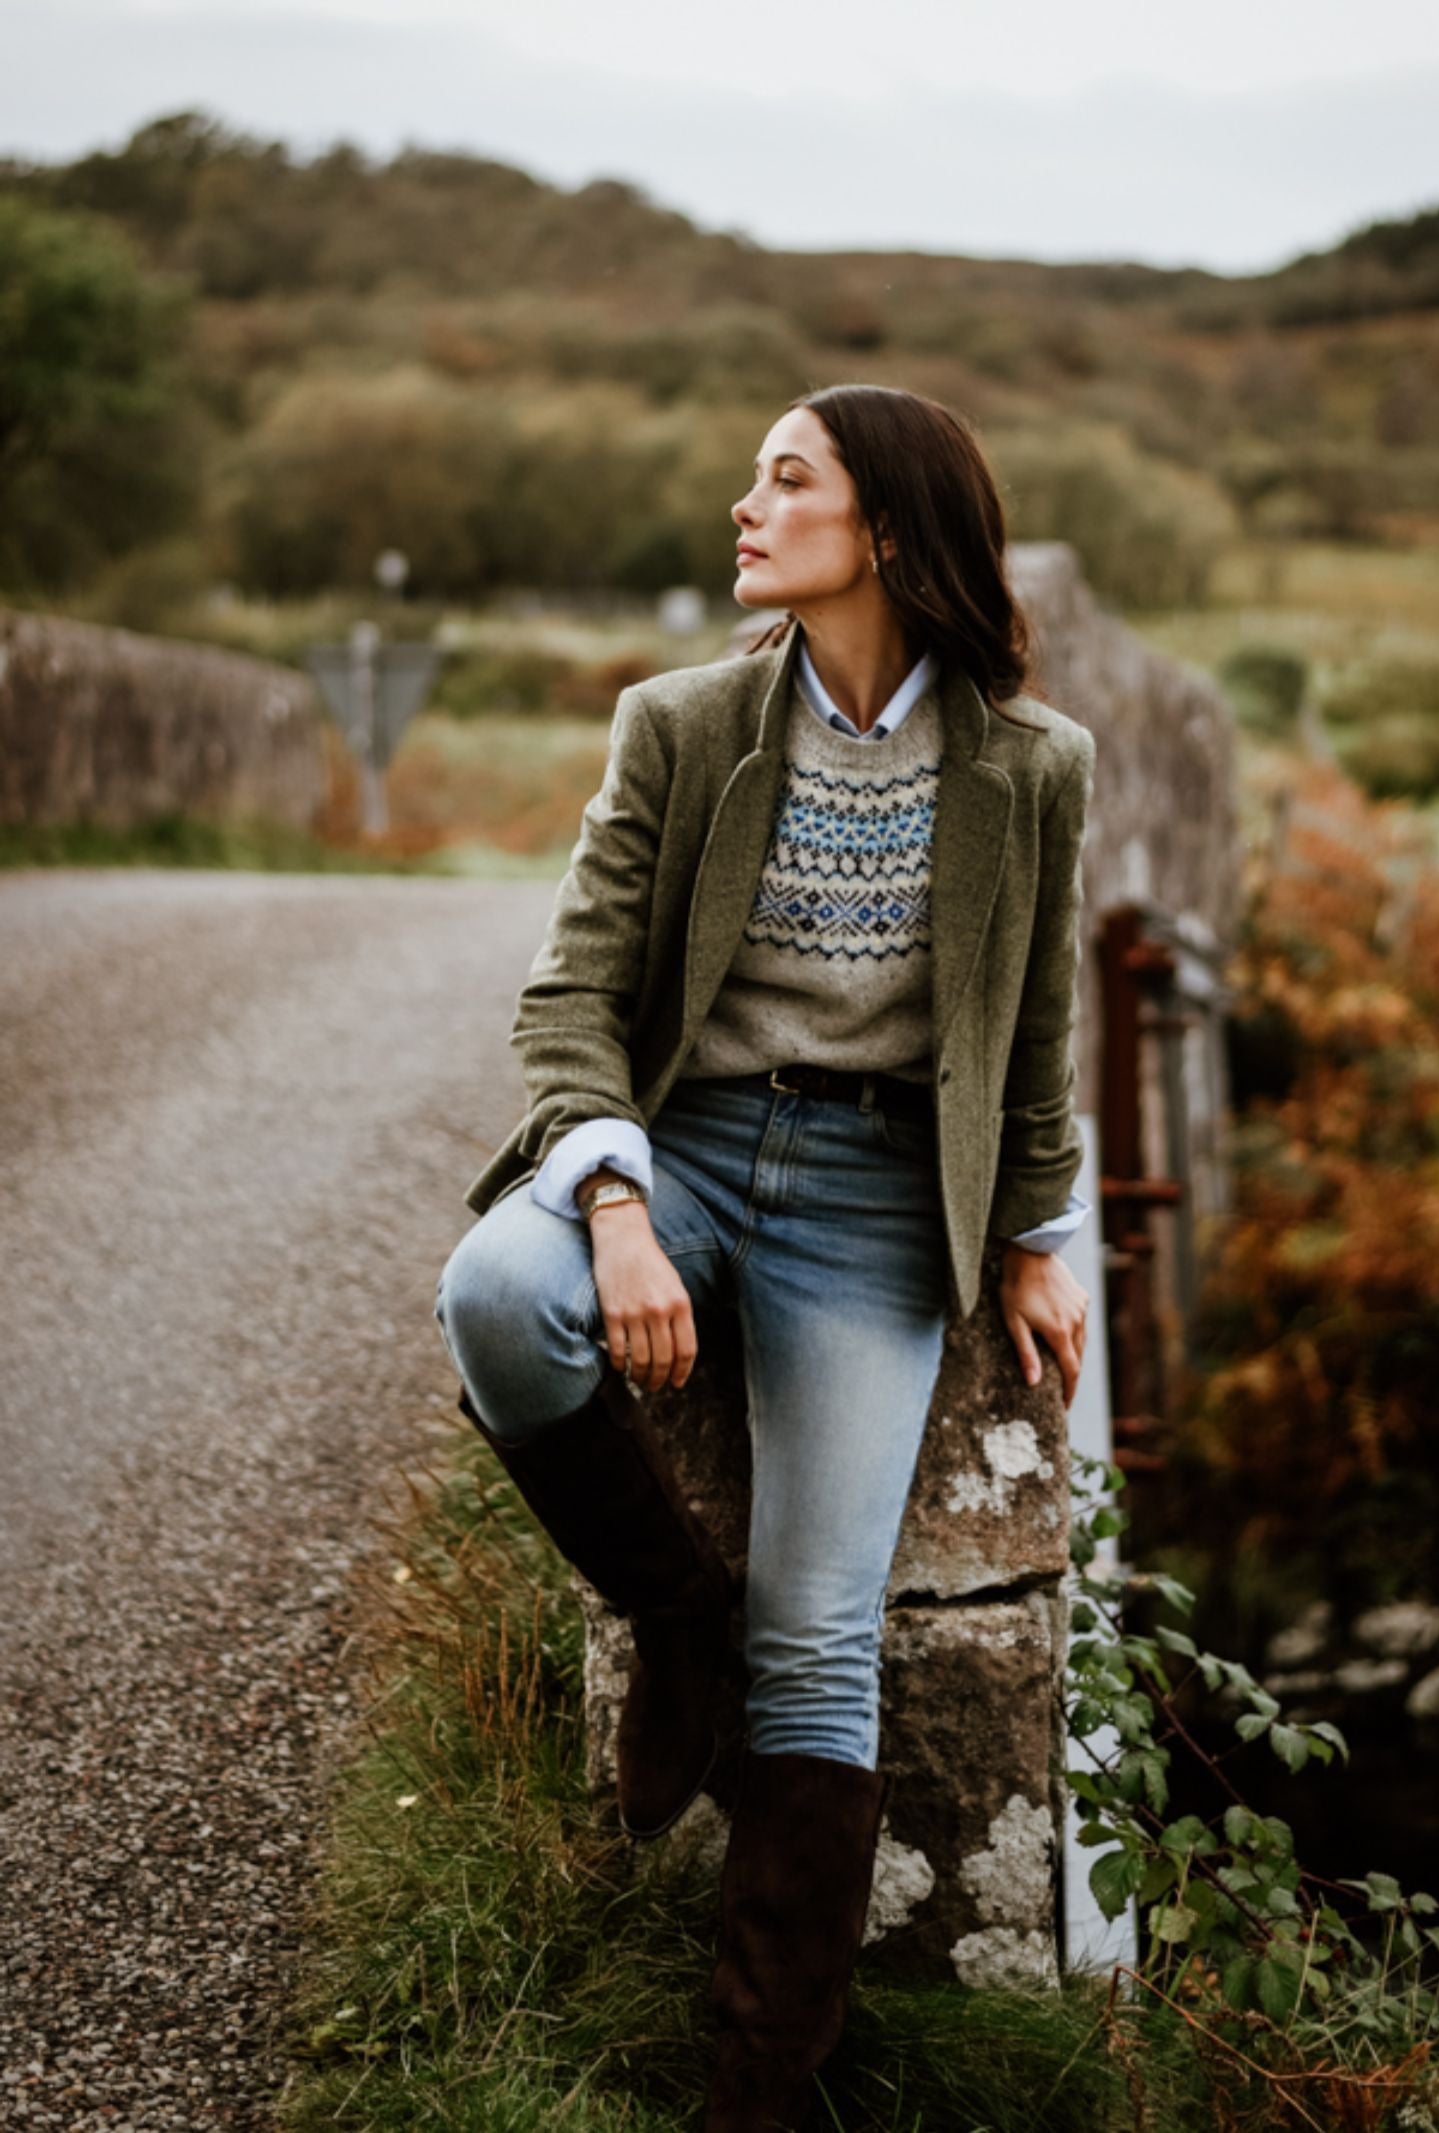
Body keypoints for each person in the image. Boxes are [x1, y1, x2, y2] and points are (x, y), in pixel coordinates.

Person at [434, 382, 1097, 2133]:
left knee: (821, 1635)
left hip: (880, 1198)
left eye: (785, 479)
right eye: (753, 477)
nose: (746, 505)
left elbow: (1034, 1031)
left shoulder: (1034, 765)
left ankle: (755, 2091)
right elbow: (570, 997)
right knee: (493, 1292)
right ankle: (677, 1620)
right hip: (688, 1146)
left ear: (885, 528)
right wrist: (615, 1207)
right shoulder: (682, 724)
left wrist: (1032, 1235)